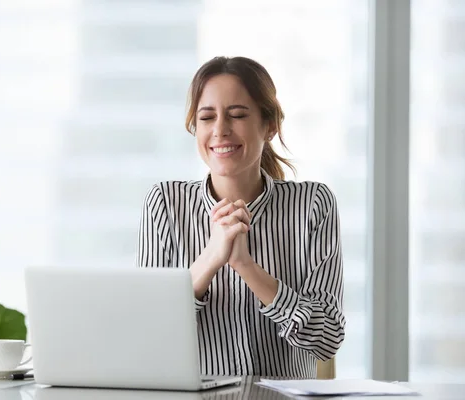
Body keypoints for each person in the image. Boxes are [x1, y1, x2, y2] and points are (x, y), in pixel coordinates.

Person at [136, 56, 345, 378]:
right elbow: (149, 333)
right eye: (207, 117)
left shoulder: (313, 204)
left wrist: (245, 266)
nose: (220, 130)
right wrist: (210, 258)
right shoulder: (165, 203)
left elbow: (326, 339)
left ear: (270, 125)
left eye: (237, 115)